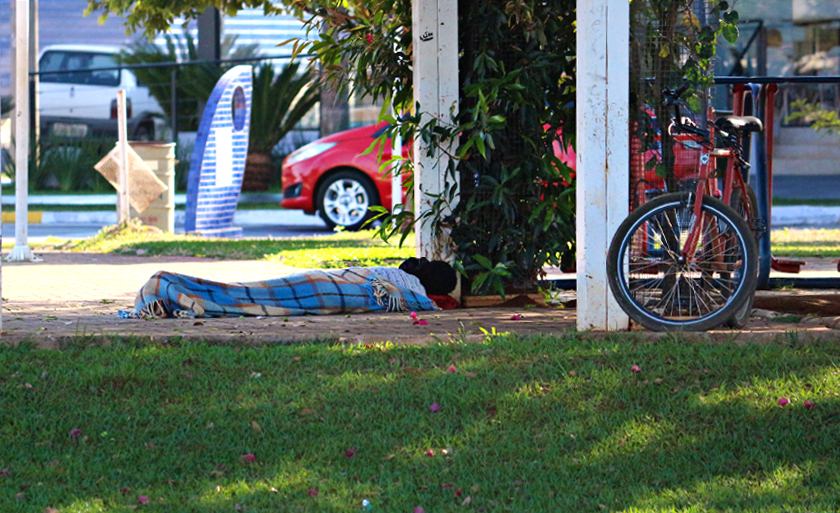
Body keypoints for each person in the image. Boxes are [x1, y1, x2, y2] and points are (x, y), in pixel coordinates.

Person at [119, 257, 457, 319]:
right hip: (329, 288)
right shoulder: (412, 292)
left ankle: (172, 290)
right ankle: (179, 295)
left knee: (249, 291)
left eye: (424, 264)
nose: (416, 260)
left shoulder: (411, 288)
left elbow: (433, 303)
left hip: (326, 284)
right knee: (250, 296)